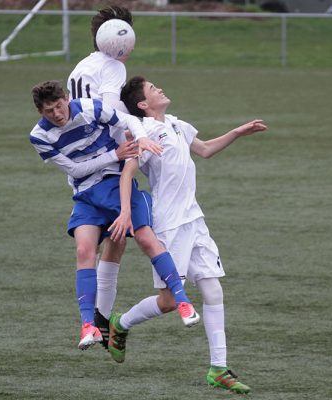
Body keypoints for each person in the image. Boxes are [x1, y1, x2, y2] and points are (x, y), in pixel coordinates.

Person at [107, 76, 267, 393]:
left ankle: (219, 369)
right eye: (153, 89)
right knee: (168, 301)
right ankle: (120, 323)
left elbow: (205, 150)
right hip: (168, 225)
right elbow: (128, 172)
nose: (160, 89)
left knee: (213, 291)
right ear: (142, 104)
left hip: (195, 221)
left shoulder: (178, 124)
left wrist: (237, 132)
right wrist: (125, 211)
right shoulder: (147, 132)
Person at [29, 80, 200, 351]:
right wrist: (114, 154)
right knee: (84, 250)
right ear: (41, 112)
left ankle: (182, 300)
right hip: (86, 194)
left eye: (59, 106)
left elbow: (129, 121)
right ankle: (89, 326)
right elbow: (74, 170)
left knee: (145, 238)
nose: (57, 114)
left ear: (67, 98)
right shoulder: (40, 137)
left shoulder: (89, 108)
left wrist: (140, 138)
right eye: (49, 111)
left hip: (115, 182)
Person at [66, 6, 135, 348]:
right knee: (121, 236)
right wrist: (133, 142)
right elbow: (111, 112)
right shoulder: (113, 66)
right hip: (109, 163)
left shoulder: (80, 67)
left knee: (91, 246)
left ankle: (95, 322)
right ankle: (102, 320)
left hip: (82, 164)